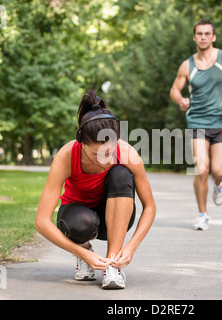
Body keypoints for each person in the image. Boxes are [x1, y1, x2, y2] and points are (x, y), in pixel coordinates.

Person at [35, 89, 156, 289]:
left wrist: (131, 247)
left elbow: (150, 206)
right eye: (97, 154)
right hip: (78, 218)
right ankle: (83, 251)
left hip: (115, 218)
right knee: (81, 223)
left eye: (110, 152)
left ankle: (112, 264)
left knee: (120, 173)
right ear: (81, 142)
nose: (107, 160)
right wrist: (82, 253)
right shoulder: (66, 157)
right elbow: (41, 222)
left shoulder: (128, 154)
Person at [170, 19, 222, 231]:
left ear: (213, 37)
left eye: (207, 34)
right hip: (197, 121)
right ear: (194, 37)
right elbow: (174, 89)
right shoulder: (187, 65)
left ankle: (219, 184)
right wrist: (181, 100)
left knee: (219, 170)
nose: (203, 37)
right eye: (199, 34)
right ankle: (202, 214)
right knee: (201, 169)